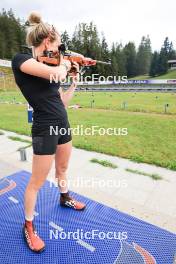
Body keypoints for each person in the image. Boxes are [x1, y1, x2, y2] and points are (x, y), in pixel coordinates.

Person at [12, 11, 86, 253]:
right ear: (47, 41)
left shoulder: (50, 68)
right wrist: (67, 62)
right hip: (44, 125)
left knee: (62, 168)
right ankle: (28, 226)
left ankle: (65, 197)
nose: (58, 51)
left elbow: (60, 101)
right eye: (57, 46)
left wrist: (74, 81)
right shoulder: (21, 60)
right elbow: (59, 71)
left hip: (61, 121)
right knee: (37, 181)